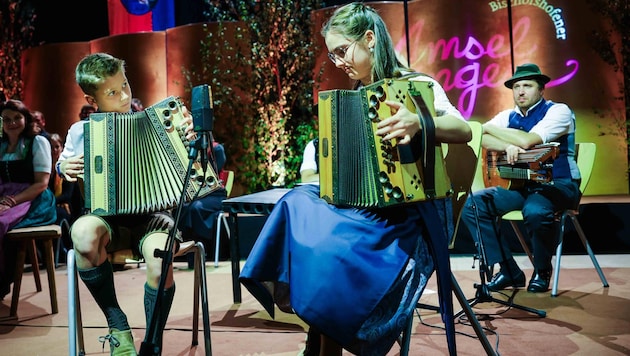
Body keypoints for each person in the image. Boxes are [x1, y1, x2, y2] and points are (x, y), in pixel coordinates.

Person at [239, 3, 471, 355]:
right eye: (332, 56)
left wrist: (419, 121)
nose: (339, 62)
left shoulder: (417, 85)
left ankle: (321, 344)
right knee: (295, 202)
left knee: (333, 249)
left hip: (411, 214)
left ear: (369, 38)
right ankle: (319, 335)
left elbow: (463, 130)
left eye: (342, 51)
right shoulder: (351, 100)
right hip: (365, 210)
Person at [57, 52, 194, 355]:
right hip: (107, 217)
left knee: (160, 261)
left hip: (154, 216)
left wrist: (190, 137)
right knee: (81, 233)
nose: (124, 96)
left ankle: (153, 341)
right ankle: (116, 324)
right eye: (112, 92)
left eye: (125, 85)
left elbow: (193, 168)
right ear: (91, 100)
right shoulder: (81, 132)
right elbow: (64, 164)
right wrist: (62, 169)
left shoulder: (160, 122)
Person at [460, 63, 581, 293]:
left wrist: (513, 141)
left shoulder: (559, 111)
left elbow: (528, 141)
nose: (521, 91)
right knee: (473, 205)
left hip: (559, 185)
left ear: (541, 90)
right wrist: (506, 146)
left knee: (535, 210)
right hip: (523, 186)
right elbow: (479, 134)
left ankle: (542, 269)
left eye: (527, 85)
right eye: (516, 86)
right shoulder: (508, 116)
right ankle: (508, 270)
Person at [0, 99, 57, 299]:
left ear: (26, 119)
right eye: (6, 119)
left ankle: (2, 280)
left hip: (33, 198)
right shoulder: (2, 145)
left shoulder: (37, 142)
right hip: (5, 196)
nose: (12, 122)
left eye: (17, 117)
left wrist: (11, 202)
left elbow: (41, 183)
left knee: (1, 222)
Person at [177, 139, 228, 268]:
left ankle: (202, 249)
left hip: (215, 194)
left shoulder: (217, 149)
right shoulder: (190, 150)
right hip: (197, 195)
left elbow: (212, 176)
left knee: (195, 208)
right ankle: (189, 252)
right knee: (182, 207)